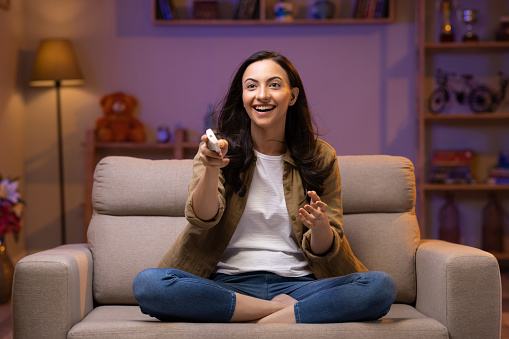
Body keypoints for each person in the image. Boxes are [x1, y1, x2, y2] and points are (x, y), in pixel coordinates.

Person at [133, 50, 397, 324]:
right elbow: (202, 217)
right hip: (228, 283)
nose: (262, 95)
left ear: (292, 96)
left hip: (300, 285)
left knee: (380, 286)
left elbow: (324, 250)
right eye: (251, 86)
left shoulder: (320, 156)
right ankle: (279, 313)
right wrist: (211, 169)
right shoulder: (217, 150)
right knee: (150, 284)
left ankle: (252, 313)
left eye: (273, 85)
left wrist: (321, 228)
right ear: (243, 98)